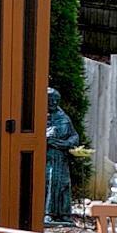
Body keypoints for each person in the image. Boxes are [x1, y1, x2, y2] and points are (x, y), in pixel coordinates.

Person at [44, 85, 83, 224]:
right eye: (50, 100)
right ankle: (48, 212)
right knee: (49, 183)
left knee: (63, 184)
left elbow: (74, 136)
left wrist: (67, 143)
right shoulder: (39, 116)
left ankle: (64, 213)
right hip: (46, 157)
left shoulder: (63, 117)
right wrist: (47, 137)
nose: (53, 103)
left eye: (56, 100)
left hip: (61, 157)